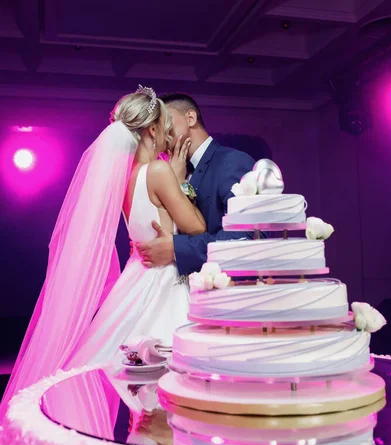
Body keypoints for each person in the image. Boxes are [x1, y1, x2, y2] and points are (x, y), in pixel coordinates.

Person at [0, 86, 205, 422]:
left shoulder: (123, 178)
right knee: (171, 380)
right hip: (162, 280)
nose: (168, 132)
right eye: (164, 124)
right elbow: (195, 226)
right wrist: (180, 181)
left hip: (135, 276)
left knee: (123, 377)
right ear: (152, 130)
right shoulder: (159, 171)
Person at [136, 93, 255, 276]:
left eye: (166, 121)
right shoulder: (168, 172)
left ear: (190, 118)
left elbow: (249, 237)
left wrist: (177, 249)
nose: (161, 129)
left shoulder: (231, 162)